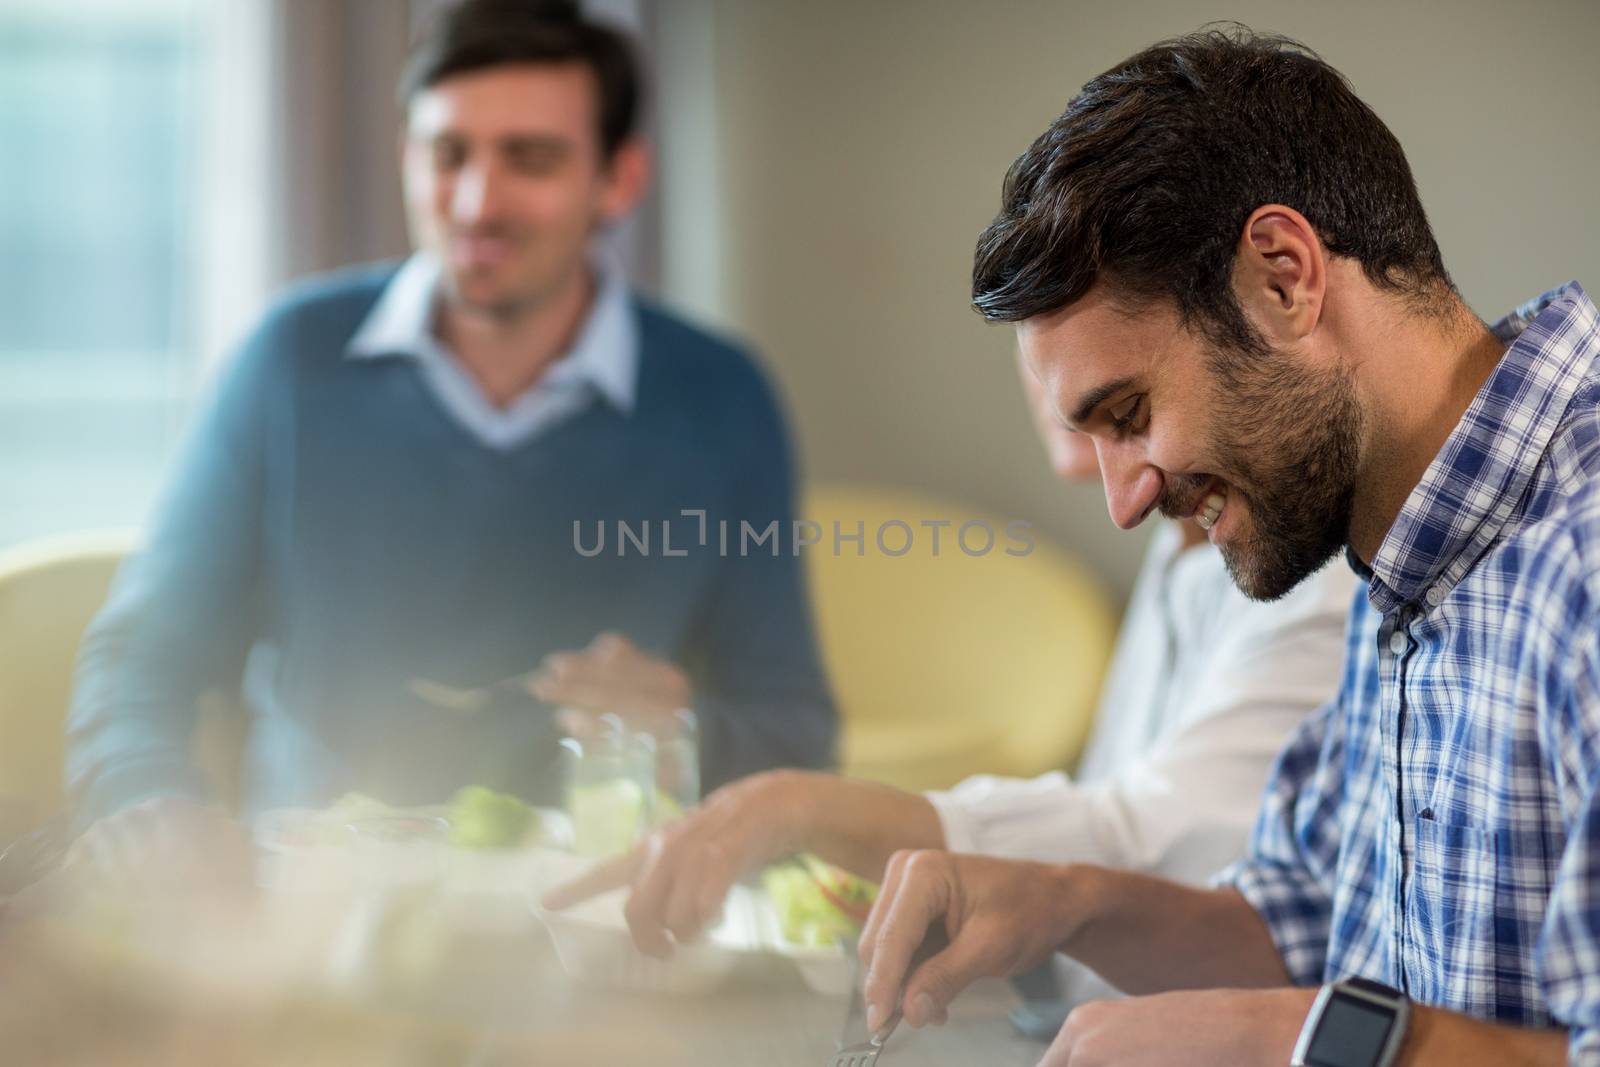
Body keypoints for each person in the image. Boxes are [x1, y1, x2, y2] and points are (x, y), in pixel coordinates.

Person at [855, 27, 1600, 1067]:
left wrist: (1287, 1036)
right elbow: (1296, 925)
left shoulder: (1583, 567)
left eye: (1128, 412)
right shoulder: (1400, 549)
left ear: (1284, 277)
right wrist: (1063, 901)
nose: (1122, 500)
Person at [64, 0, 834, 851]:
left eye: (529, 160)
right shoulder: (288, 362)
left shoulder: (721, 396)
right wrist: (149, 806)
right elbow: (139, 668)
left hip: (590, 925)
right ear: (406, 159)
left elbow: (795, 733)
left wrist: (686, 728)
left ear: (619, 180)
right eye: (447, 154)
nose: (476, 203)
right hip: (304, 920)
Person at [544, 346, 1356, 1023]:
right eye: (1037, 353)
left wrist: (801, 807)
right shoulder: (1180, 537)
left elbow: (1151, 850)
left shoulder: (1316, 583)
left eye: (1122, 406)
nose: (1061, 397)